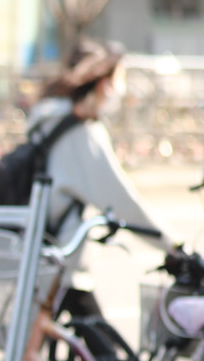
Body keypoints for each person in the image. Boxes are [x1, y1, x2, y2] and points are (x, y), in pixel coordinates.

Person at [23, 38, 172, 328]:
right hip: (60, 264)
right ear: (104, 83)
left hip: (39, 254)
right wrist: (173, 247)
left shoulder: (49, 117)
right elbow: (121, 202)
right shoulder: (81, 135)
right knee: (109, 360)